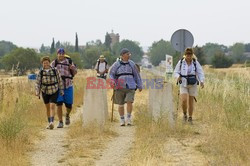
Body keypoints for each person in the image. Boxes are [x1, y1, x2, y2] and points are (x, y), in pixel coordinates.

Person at [109, 48, 142, 126]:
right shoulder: (116, 64)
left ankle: (129, 118)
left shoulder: (132, 64)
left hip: (131, 86)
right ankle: (122, 119)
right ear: (123, 55)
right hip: (119, 86)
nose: (129, 55)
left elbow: (137, 75)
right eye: (127, 54)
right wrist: (113, 82)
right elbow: (111, 74)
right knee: (120, 104)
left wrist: (140, 85)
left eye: (129, 54)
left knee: (129, 101)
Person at [174, 47, 205, 124]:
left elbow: (200, 72)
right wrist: (178, 77)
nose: (189, 57)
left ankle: (190, 117)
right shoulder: (181, 62)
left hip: (193, 83)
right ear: (185, 55)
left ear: (192, 55)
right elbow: (176, 72)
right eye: (187, 55)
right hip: (183, 83)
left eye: (190, 55)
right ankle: (185, 114)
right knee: (184, 100)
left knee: (191, 101)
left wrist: (201, 81)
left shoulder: (195, 63)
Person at [51, 48, 77, 128]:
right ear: (57, 54)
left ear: (64, 54)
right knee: (59, 104)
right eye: (59, 53)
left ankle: (67, 115)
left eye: (62, 53)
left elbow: (75, 72)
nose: (61, 55)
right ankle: (60, 122)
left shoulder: (69, 61)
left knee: (69, 105)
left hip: (68, 85)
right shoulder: (54, 63)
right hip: (58, 86)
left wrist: (72, 67)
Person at [35, 56, 64, 129]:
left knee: (52, 106)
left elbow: (59, 80)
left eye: (47, 63)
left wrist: (61, 90)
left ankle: (52, 122)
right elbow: (37, 83)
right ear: (42, 64)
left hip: (54, 90)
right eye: (44, 63)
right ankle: (49, 123)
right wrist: (37, 92)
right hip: (45, 91)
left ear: (49, 63)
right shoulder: (41, 72)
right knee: (47, 107)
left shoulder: (55, 70)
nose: (46, 64)